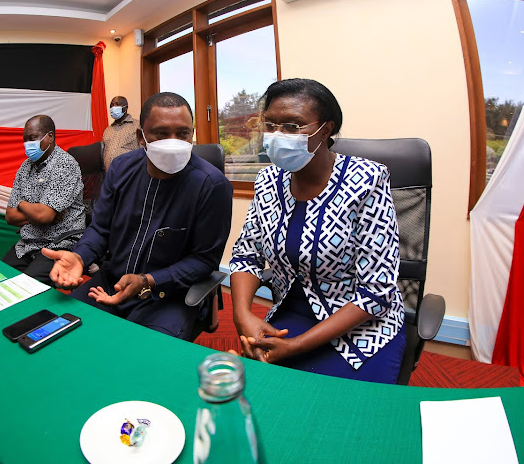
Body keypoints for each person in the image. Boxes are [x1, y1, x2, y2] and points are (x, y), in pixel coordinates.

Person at [229, 78, 405, 383]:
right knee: (263, 401)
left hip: (361, 325)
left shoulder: (368, 180)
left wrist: (295, 347)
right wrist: (243, 315)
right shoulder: (269, 180)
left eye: (292, 126)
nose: (277, 135)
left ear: (325, 129)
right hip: (290, 314)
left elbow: (376, 290)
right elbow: (247, 257)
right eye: (270, 125)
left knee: (347, 416)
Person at [43, 92, 233, 340]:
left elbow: (204, 260)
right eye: (161, 133)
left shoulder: (212, 185)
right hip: (110, 282)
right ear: (141, 137)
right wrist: (80, 256)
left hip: (167, 296)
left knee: (146, 362)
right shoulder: (121, 168)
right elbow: (101, 229)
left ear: (192, 134)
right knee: (62, 338)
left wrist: (149, 280)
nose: (173, 141)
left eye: (183, 133)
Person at [2, 115, 86, 286]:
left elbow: (44, 216)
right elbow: (10, 217)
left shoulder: (65, 164)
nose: (27, 144)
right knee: (0, 279)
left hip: (59, 243)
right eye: (25, 139)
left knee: (25, 288)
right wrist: (36, 211)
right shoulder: (25, 168)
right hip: (28, 243)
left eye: (32, 138)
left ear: (50, 137)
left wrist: (22, 204)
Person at [102, 95, 142, 170]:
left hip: (130, 174)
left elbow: (144, 151)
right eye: (111, 105)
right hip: (110, 176)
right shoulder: (107, 130)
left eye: (117, 104)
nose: (113, 107)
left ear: (126, 107)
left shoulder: (138, 126)